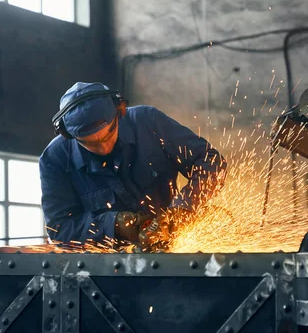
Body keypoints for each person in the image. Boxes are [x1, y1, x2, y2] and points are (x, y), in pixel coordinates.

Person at [39, 82, 227, 250]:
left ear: (119, 112)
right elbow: (59, 229)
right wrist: (113, 225)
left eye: (107, 136)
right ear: (68, 135)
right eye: (90, 144)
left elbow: (210, 161)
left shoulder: (148, 122)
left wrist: (182, 209)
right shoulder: (54, 159)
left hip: (174, 244)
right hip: (108, 266)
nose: (103, 147)